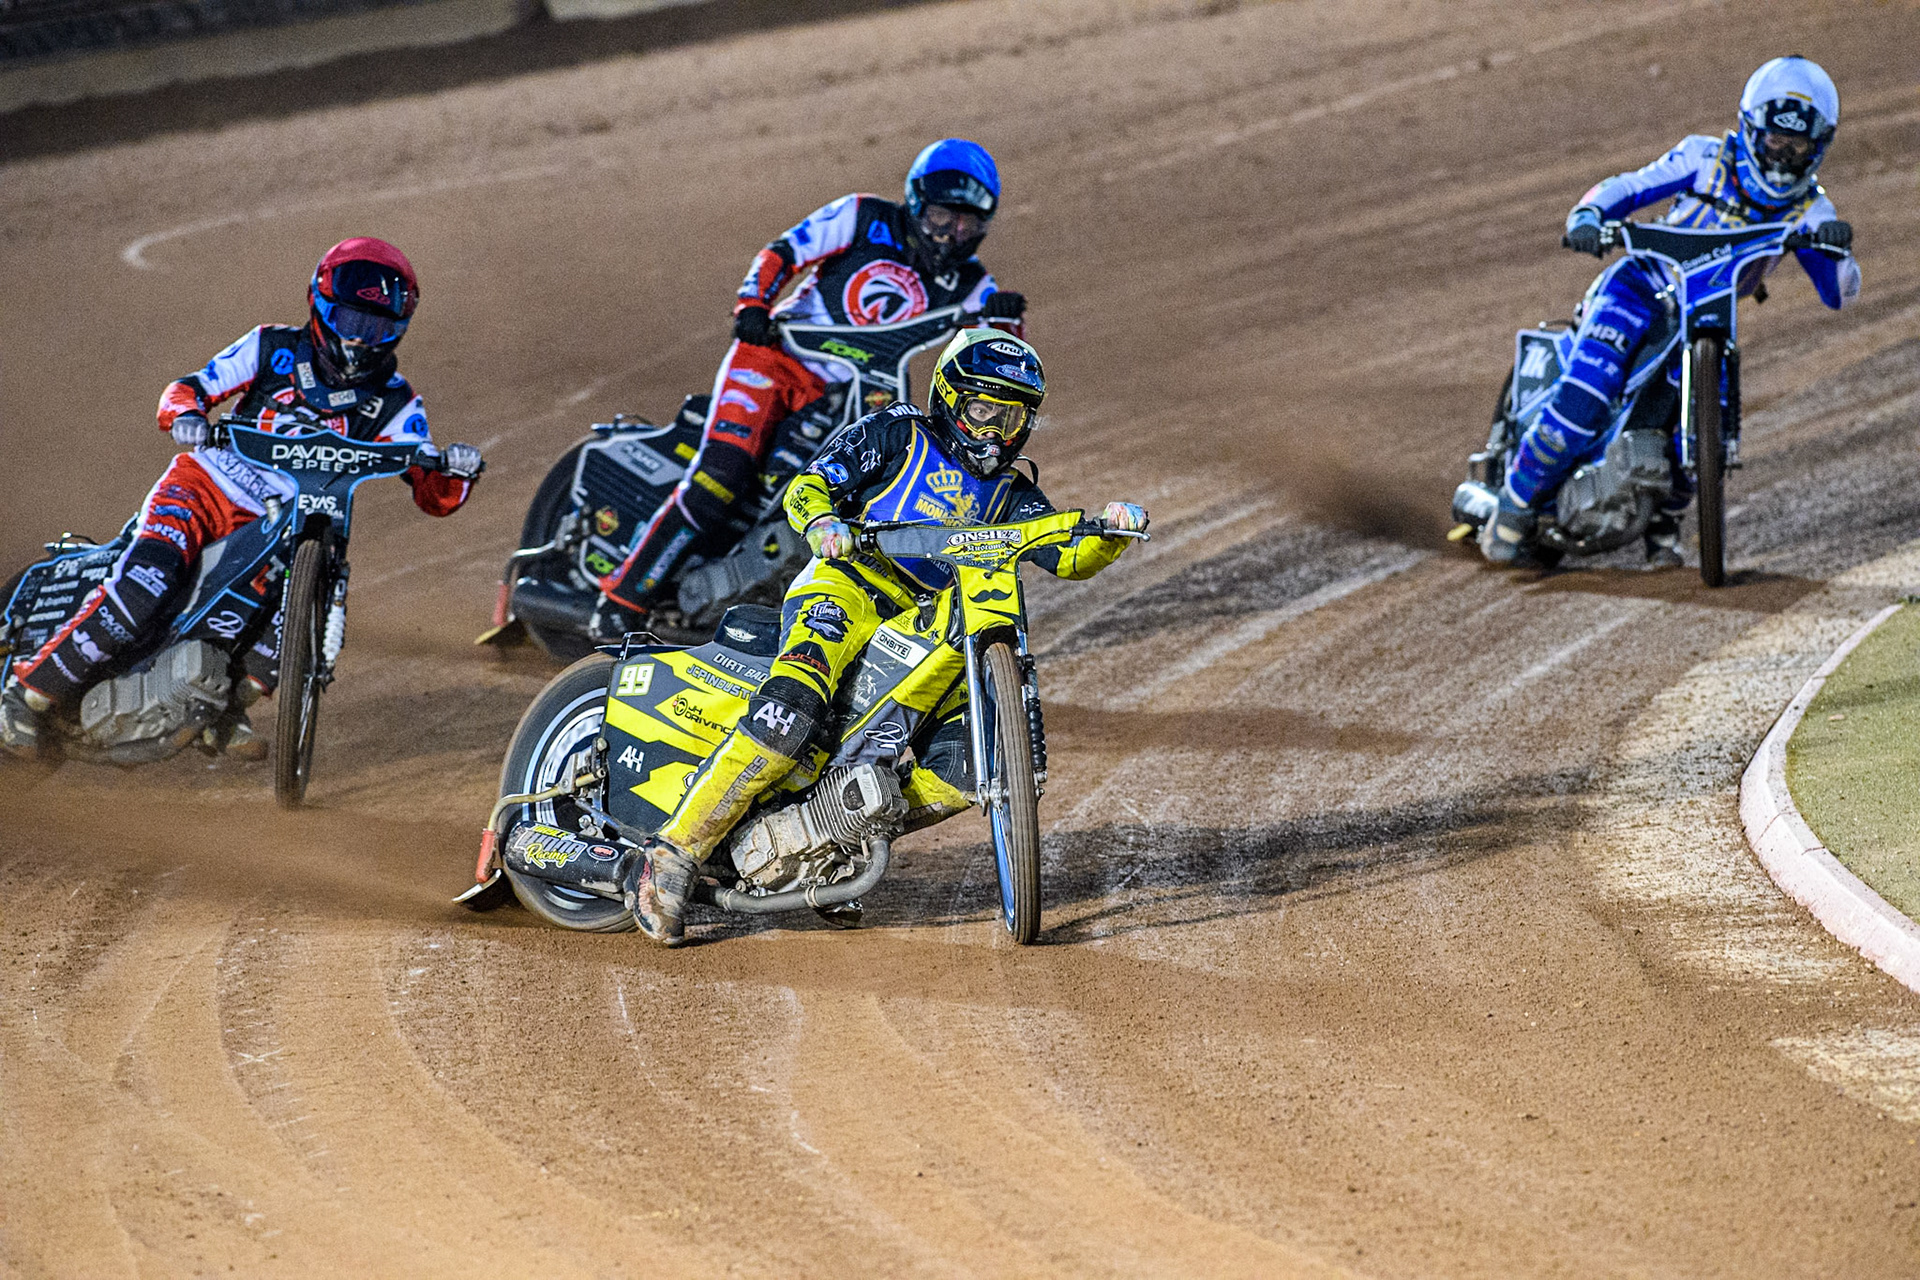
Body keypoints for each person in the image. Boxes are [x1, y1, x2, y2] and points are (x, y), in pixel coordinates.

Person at [619, 327, 1149, 945]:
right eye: (983, 411)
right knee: (793, 705)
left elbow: (1066, 552)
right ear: (949, 397)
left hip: (926, 617)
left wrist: (1107, 532)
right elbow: (813, 483)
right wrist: (822, 523)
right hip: (845, 587)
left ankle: (828, 836)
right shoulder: (897, 432)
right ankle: (670, 856)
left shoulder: (1013, 491)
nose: (993, 432)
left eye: (1010, 418)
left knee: (967, 769)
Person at [0, 237, 484, 758]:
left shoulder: (396, 400)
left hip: (292, 526)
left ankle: (219, 708)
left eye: (379, 328)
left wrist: (456, 469)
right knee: (148, 582)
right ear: (322, 308)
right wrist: (186, 416)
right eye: (352, 321)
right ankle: (25, 697)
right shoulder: (270, 347)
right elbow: (188, 388)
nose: (363, 340)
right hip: (204, 487)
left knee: (288, 637)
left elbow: (434, 494)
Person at [590, 138, 1030, 637]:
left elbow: (995, 364)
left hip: (849, 397)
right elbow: (785, 250)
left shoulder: (975, 284)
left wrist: (1007, 325)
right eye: (940, 217)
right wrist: (752, 305)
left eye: (967, 223)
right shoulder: (863, 216)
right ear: (914, 202)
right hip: (777, 358)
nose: (951, 234)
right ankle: (618, 603)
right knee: (722, 475)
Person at [1481, 56, 1860, 567]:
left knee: (1712, 421)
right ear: (1752, 129)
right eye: (1775, 141)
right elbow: (1630, 187)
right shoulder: (1705, 158)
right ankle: (1512, 509)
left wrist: (1835, 249)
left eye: (1797, 147)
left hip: (1707, 315)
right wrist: (1588, 215)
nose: (1783, 157)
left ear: (1818, 148)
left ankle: (1665, 526)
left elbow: (1841, 292)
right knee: (1586, 399)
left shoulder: (1811, 209)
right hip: (1638, 288)